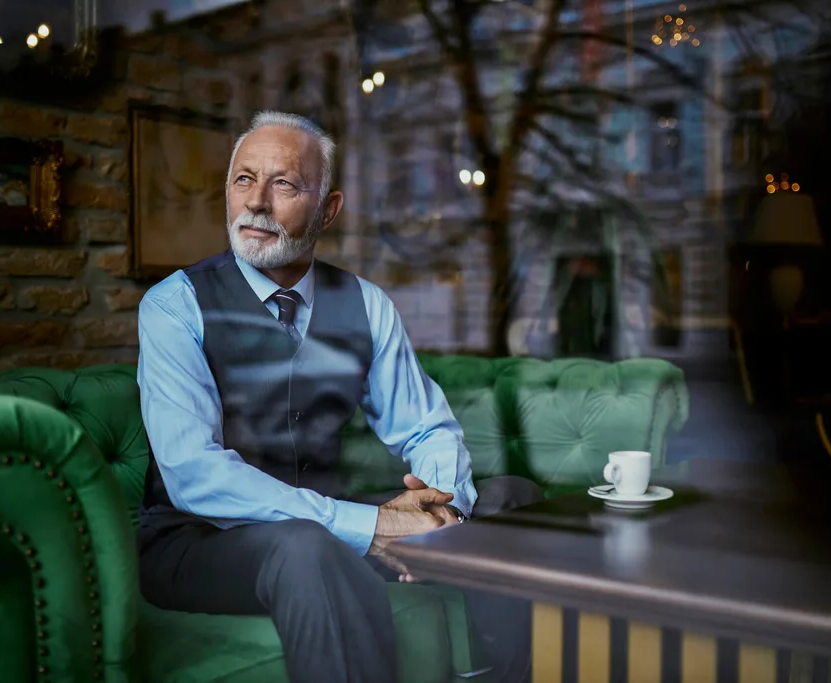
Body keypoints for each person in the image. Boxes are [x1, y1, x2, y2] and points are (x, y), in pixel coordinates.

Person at [135, 110, 542, 683]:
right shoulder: (173, 306)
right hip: (197, 542)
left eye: (283, 184)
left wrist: (441, 511)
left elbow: (426, 427)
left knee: (510, 499)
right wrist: (372, 527)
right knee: (306, 548)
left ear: (328, 209)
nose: (256, 202)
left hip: (323, 524)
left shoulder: (366, 304)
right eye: (243, 179)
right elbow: (195, 475)